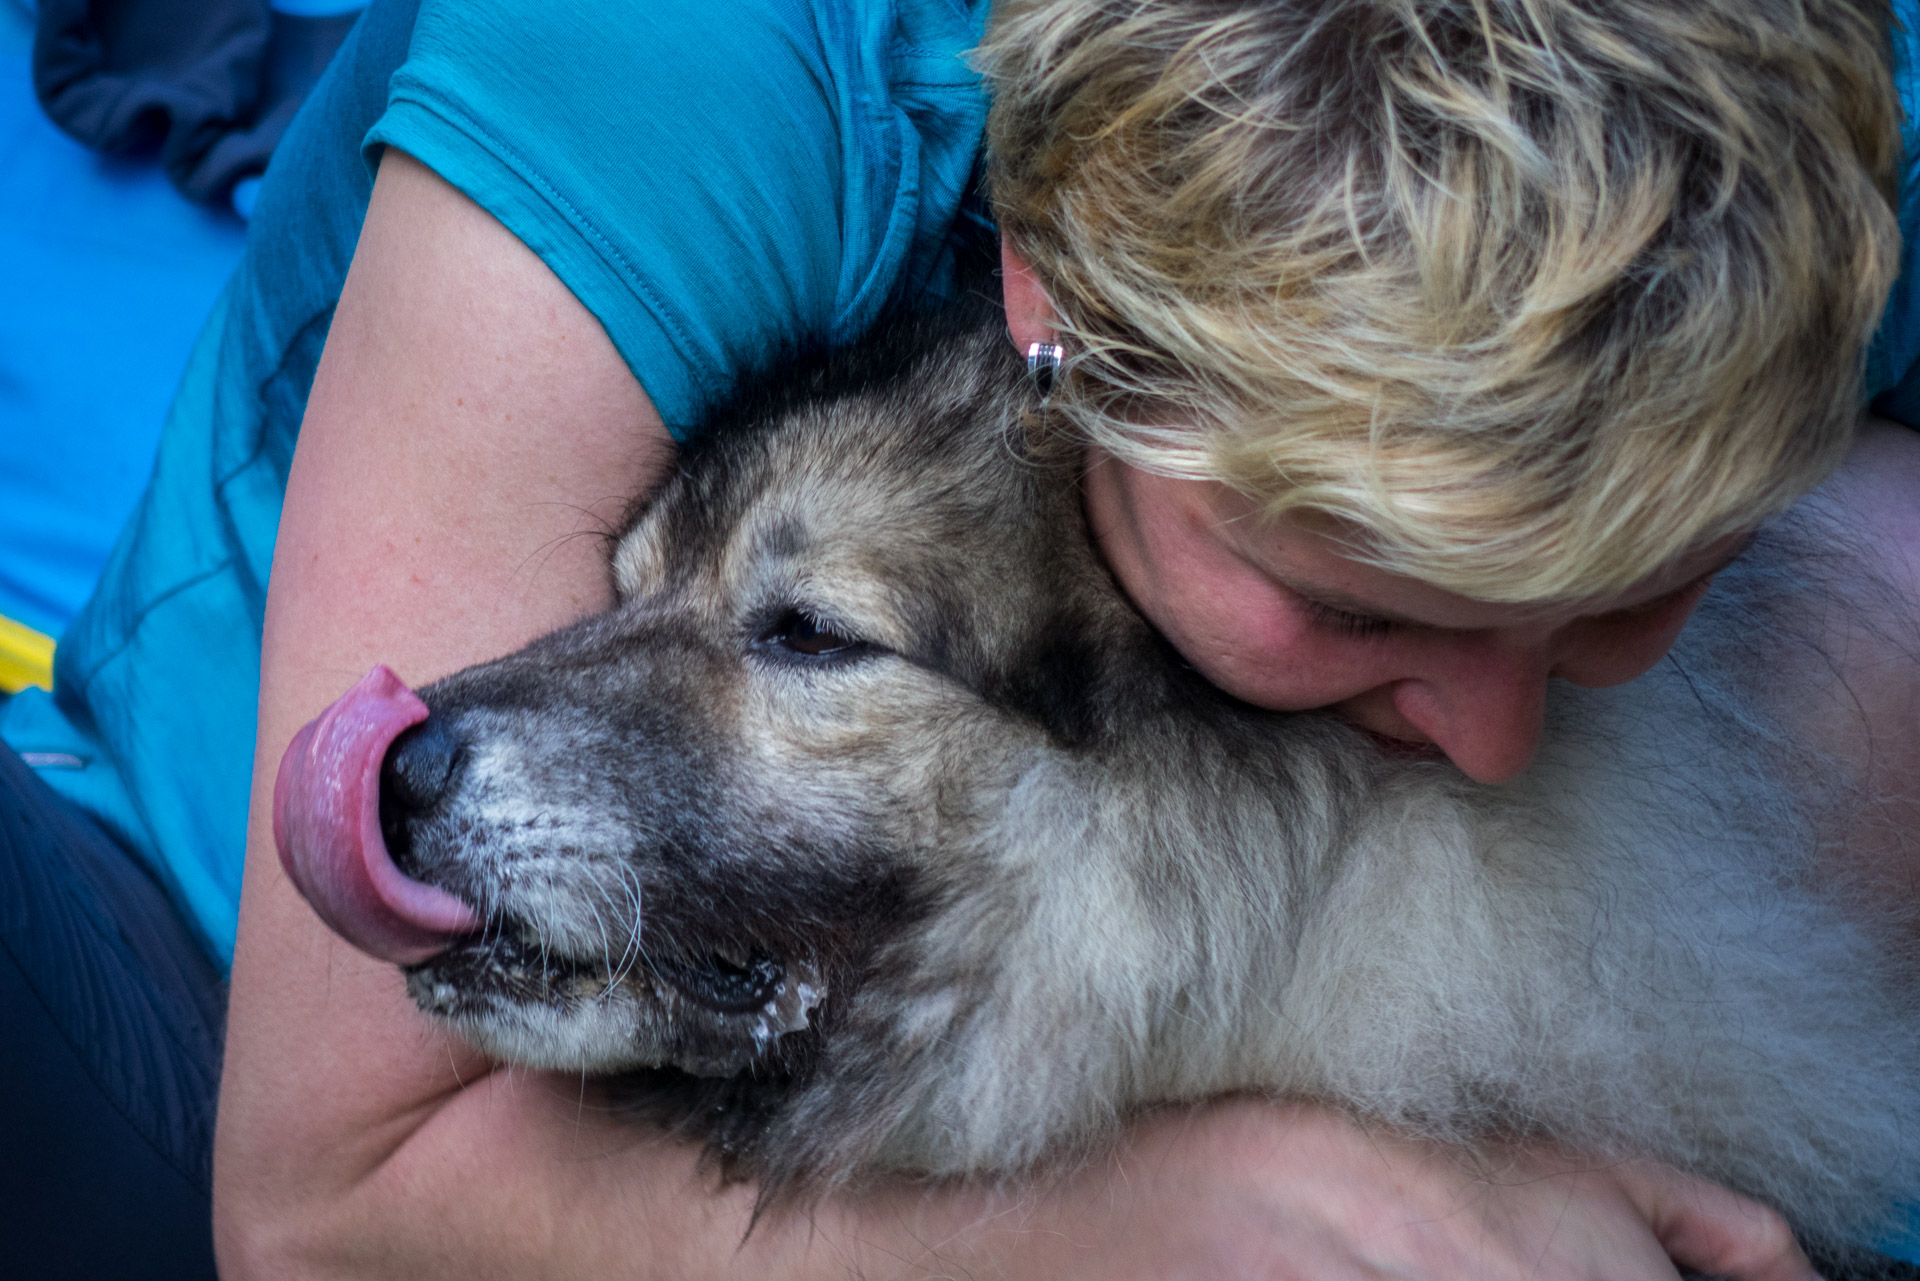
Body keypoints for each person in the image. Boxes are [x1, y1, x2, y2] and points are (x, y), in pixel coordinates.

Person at [2, 0, 1916, 1277]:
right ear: (1052, 305)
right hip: (190, 964)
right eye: (1348, 599)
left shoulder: (1835, 123)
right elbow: (322, 1204)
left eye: (1623, 599)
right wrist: (1146, 1219)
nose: (1499, 735)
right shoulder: (690, 55)